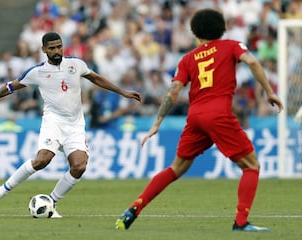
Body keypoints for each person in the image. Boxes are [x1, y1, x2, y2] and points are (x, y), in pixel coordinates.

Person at [116, 9, 283, 232]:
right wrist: (270, 92)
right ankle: (241, 223)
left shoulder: (187, 58)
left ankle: (134, 208)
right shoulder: (231, 45)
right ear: (222, 29)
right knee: (252, 166)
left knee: (175, 168)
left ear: (195, 32)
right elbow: (252, 62)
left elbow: (173, 91)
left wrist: (157, 123)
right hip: (218, 115)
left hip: (195, 117)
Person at [0, 32, 141, 217]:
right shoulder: (37, 72)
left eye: (59, 46)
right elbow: (9, 87)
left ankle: (51, 202)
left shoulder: (76, 64)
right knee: (42, 159)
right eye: (52, 48)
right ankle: (1, 191)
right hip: (53, 121)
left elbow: (96, 78)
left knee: (79, 166)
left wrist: (122, 92)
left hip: (75, 125)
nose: (57, 50)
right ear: (44, 50)